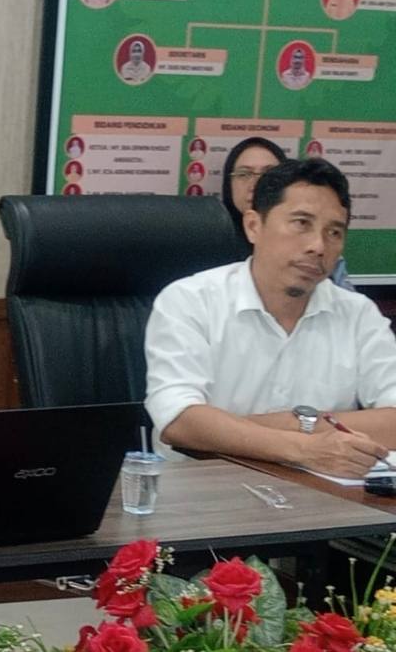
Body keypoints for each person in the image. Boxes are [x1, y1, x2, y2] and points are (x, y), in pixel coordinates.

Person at [145, 159, 396, 478]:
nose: (318, 246)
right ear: (253, 226)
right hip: (204, 493)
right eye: (301, 223)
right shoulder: (190, 300)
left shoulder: (358, 314)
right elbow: (180, 421)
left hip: (321, 497)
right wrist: (306, 448)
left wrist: (271, 426)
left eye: (334, 232)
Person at [220, 137, 352, 289]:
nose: (255, 185)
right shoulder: (210, 245)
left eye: (268, 174)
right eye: (244, 174)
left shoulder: (322, 251)